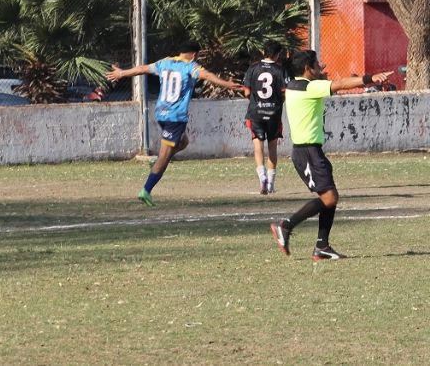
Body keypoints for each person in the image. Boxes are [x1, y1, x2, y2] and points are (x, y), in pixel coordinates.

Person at [270, 50, 392, 261]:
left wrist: (319, 72)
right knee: (329, 197)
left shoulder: (293, 85)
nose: (320, 67)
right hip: (307, 151)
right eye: (316, 64)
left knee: (330, 197)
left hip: (310, 150)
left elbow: (324, 81)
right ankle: (286, 226)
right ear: (308, 68)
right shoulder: (310, 87)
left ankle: (322, 247)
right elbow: (342, 84)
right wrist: (369, 78)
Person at [106, 41, 243, 206]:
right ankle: (146, 190)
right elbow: (207, 76)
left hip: (161, 113)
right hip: (175, 117)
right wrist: (228, 84)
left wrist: (122, 73)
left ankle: (157, 160)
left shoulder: (165, 62)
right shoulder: (191, 67)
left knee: (183, 142)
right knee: (165, 157)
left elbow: (142, 69)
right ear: (194, 54)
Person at [242, 41, 289, 194]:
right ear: (278, 54)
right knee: (273, 147)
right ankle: (271, 184)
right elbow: (285, 92)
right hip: (274, 114)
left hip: (256, 113)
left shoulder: (253, 68)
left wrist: (257, 103)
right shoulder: (280, 70)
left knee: (258, 145)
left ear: (263, 51)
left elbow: (247, 92)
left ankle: (262, 177)